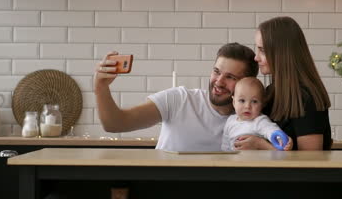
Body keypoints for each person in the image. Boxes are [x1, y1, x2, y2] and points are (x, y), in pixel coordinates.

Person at [94, 42, 258, 151]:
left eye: (230, 77)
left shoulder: (253, 121)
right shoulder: (179, 99)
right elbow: (115, 123)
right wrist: (101, 87)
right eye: (216, 72)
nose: (219, 82)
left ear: (247, 82)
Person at [234, 16, 332, 151]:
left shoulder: (307, 98)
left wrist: (260, 145)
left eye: (262, 50)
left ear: (281, 53)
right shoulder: (270, 92)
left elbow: (311, 161)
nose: (256, 57)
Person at [221, 77, 292, 151]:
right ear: (234, 102)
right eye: (242, 100)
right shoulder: (230, 120)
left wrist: (281, 139)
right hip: (234, 161)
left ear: (263, 104)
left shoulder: (260, 121)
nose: (247, 106)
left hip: (256, 161)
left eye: (254, 101)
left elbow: (271, 131)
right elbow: (225, 145)